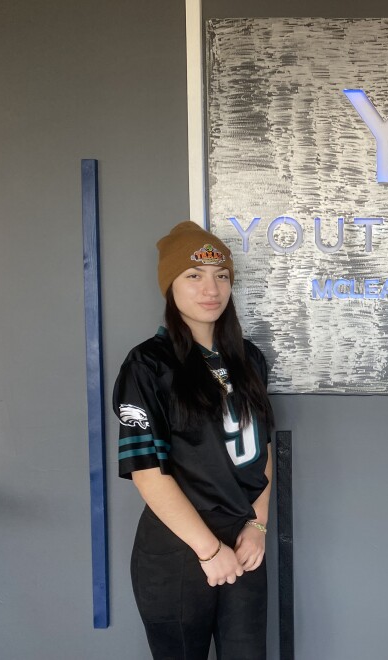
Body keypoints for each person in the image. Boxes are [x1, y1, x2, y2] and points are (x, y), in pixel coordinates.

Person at [114, 221, 274, 659]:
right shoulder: (148, 364)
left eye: (221, 275)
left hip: (244, 544)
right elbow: (148, 473)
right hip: (180, 550)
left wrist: (257, 527)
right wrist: (207, 550)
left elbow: (264, 450)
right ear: (170, 287)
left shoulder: (249, 358)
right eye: (194, 275)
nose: (211, 288)